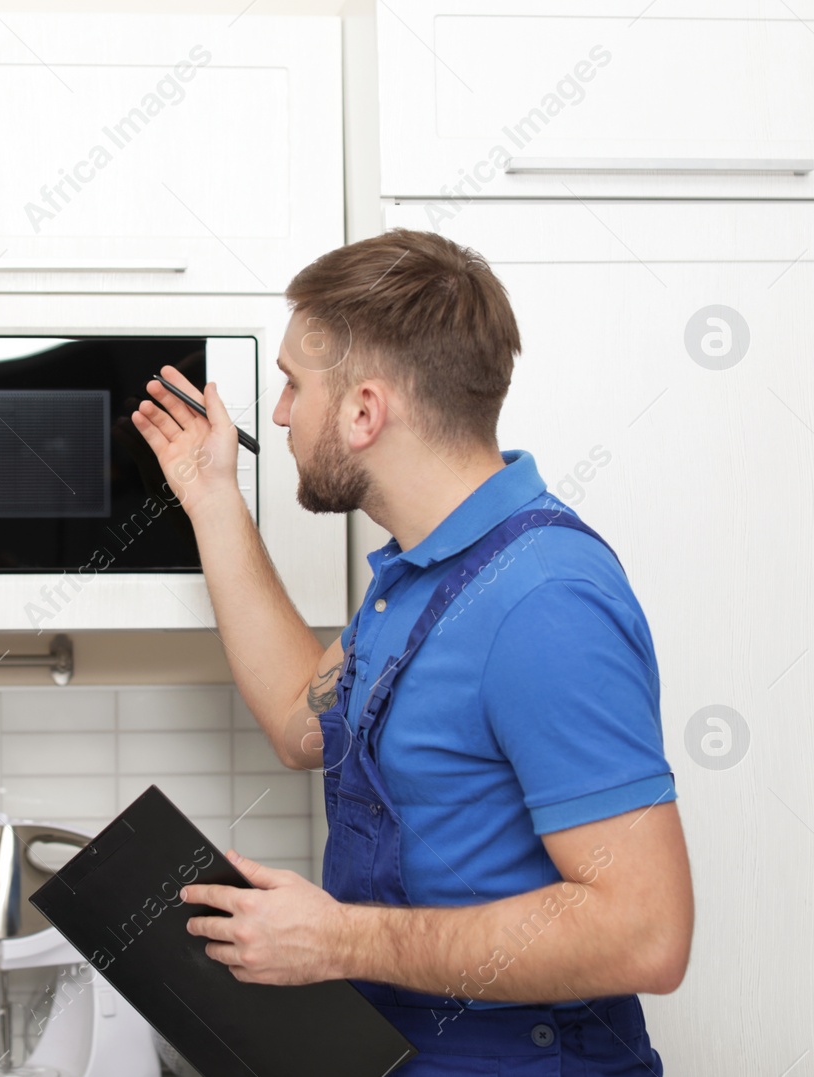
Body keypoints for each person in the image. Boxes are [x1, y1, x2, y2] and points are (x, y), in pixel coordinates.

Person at [132, 229, 693, 1074]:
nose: (278, 414)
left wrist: (338, 939)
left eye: (292, 385)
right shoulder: (418, 577)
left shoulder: (543, 599)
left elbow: (646, 933)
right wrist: (212, 497)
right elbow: (299, 719)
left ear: (364, 410)